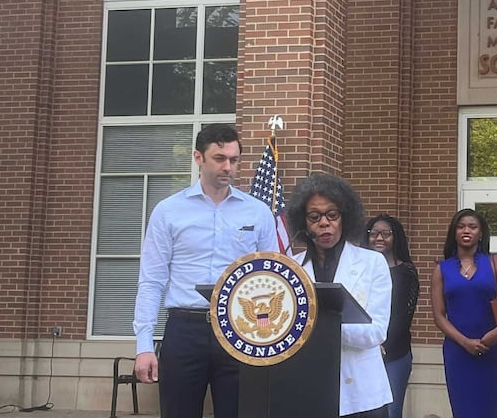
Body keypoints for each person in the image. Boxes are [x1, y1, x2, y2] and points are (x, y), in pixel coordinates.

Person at [132, 124, 279, 417]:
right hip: (185, 329)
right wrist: (144, 345)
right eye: (219, 158)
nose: (228, 167)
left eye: (234, 160)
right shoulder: (168, 211)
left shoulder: (258, 212)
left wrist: (268, 339)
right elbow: (151, 281)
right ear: (198, 157)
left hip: (240, 328)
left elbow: (270, 279)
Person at [287, 173, 393, 418]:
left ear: (345, 218)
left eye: (332, 215)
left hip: (361, 394)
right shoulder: (291, 269)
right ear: (304, 223)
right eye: (315, 217)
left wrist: (320, 330)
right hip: (308, 389)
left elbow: (376, 331)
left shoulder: (372, 263)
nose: (324, 223)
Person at [431, 208, 497, 418]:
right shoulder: (442, 269)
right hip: (458, 351)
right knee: (464, 410)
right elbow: (439, 316)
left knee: (493, 409)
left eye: (472, 226)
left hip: (492, 349)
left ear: (481, 233)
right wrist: (464, 342)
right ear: (454, 232)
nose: (466, 230)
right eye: (461, 226)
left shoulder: (496, 263)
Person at [363, 214, 420, 418]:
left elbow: (403, 315)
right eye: (374, 233)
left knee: (390, 412)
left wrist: (382, 343)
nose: (379, 238)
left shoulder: (406, 271)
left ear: (396, 237)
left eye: (386, 233)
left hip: (394, 354)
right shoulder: (359, 271)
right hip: (362, 350)